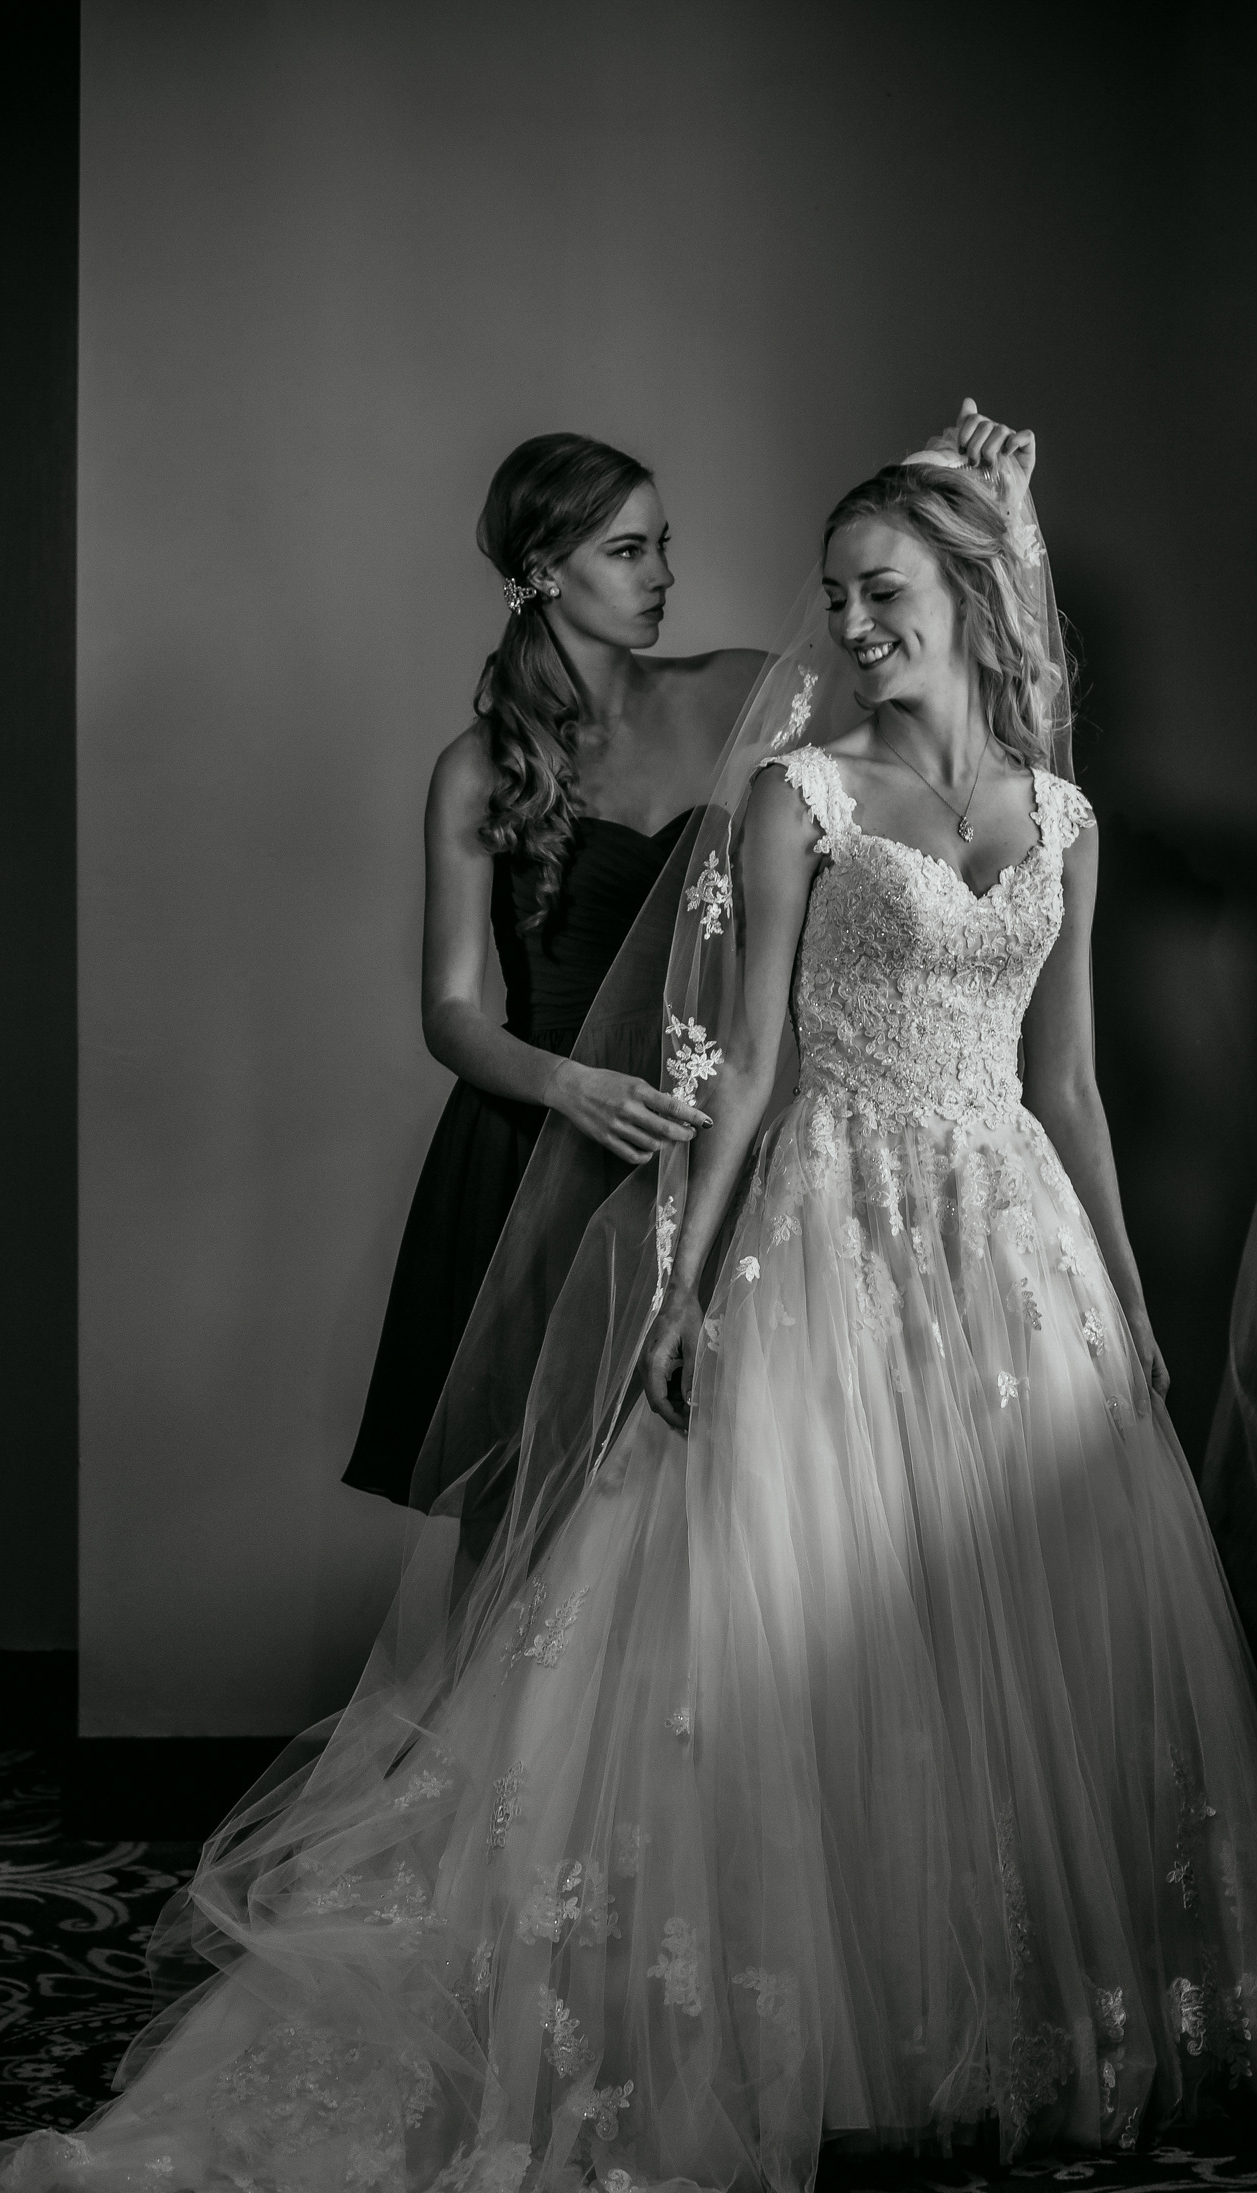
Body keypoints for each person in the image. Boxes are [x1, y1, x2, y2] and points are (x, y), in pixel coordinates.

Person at [0, 433, 1257, 2193]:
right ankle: (795, 2045)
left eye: (881, 591)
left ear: (964, 597)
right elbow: (742, 1071)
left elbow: (1066, 1083)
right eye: (832, 594)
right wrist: (677, 1291)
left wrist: (1131, 1291)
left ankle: (959, 2027)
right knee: (790, 1618)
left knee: (989, 1633)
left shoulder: (1059, 815)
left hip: (1009, 1249)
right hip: (828, 1225)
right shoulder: (798, 794)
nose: (845, 621)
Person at [344, 411, 1027, 1501]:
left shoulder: (748, 691)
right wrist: (568, 1088)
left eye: (662, 544)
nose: (662, 574)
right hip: (543, 1136)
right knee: (519, 1498)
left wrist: (972, 498)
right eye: (628, 551)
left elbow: (936, 689)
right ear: (543, 572)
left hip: (707, 1123)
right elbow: (449, 1010)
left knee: (704, 1497)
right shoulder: (477, 769)